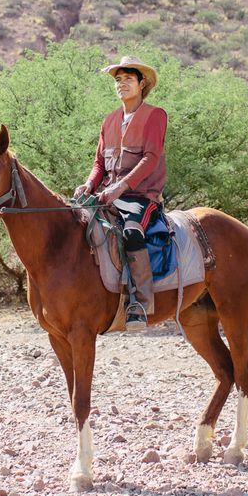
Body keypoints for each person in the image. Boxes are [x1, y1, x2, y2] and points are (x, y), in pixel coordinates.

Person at [73, 56, 167, 330]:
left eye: (128, 79)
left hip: (141, 197)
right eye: (118, 80)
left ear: (142, 83)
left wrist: (120, 187)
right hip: (107, 195)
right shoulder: (109, 120)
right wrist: (89, 185)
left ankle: (139, 303)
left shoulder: (155, 115)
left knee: (132, 231)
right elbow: (99, 164)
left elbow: (150, 158)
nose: (121, 84)